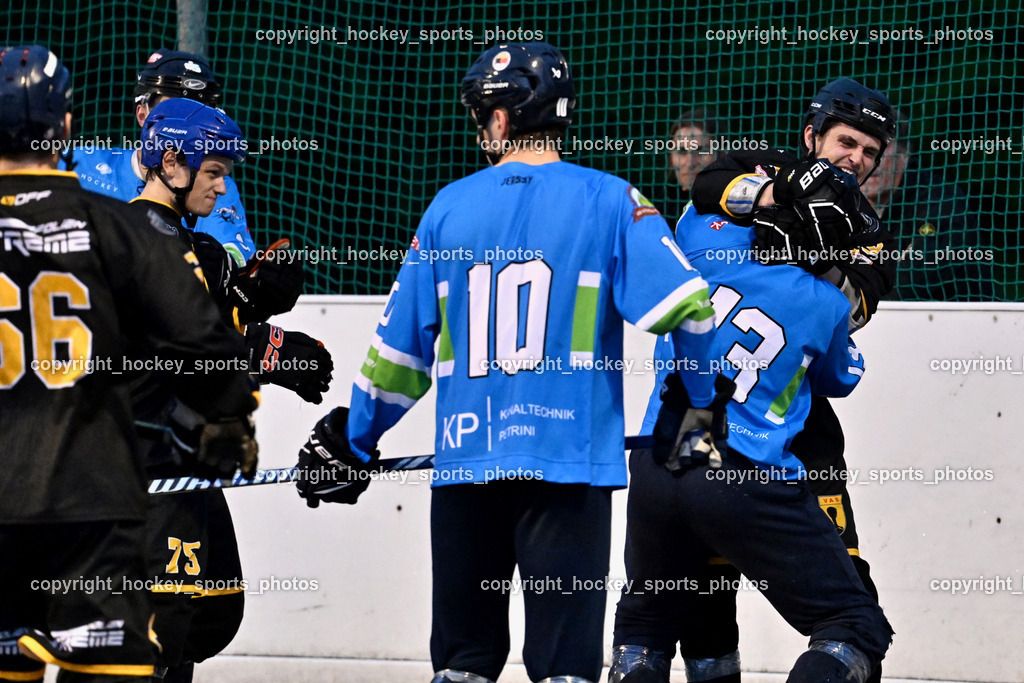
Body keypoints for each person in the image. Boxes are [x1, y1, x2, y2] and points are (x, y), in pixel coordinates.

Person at [293, 42, 721, 683]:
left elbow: (399, 354)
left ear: (503, 119)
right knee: (565, 670)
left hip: (468, 466)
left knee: (465, 666)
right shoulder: (610, 199)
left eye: (483, 114)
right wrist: (697, 404)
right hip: (569, 467)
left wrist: (354, 440)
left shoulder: (448, 207)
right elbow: (691, 309)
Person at [613, 78, 898, 682]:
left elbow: (708, 193)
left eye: (870, 152)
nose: (857, 159)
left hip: (680, 442)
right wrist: (784, 209)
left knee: (653, 630)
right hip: (753, 443)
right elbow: (839, 340)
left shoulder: (704, 232)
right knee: (839, 618)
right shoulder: (779, 181)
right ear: (811, 136)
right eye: (847, 142)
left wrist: (798, 230)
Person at [0, 45, 258, 683]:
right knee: (114, 666)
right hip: (93, 500)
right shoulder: (117, 228)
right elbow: (207, 343)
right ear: (64, 128)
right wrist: (230, 420)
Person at [127, 97, 332, 683]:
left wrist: (250, 304)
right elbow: (172, 360)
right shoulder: (142, 240)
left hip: (180, 467)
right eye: (213, 172)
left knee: (207, 618)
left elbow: (205, 335)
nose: (221, 189)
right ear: (172, 161)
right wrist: (267, 353)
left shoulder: (188, 244)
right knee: (159, 641)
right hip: (144, 473)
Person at [68, 48, 254, 266]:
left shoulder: (217, 185)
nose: (192, 122)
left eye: (203, 111)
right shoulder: (76, 165)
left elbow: (236, 259)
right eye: (177, 109)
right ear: (142, 114)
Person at [862, 115, 994, 300]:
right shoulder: (842, 206)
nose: (871, 160)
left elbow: (916, 281)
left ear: (904, 154)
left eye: (882, 148)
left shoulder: (940, 199)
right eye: (865, 150)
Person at [662, 108, 724, 219]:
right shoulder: (657, 215)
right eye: (681, 151)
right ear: (670, 159)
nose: (690, 163)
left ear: (720, 154)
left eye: (701, 151)